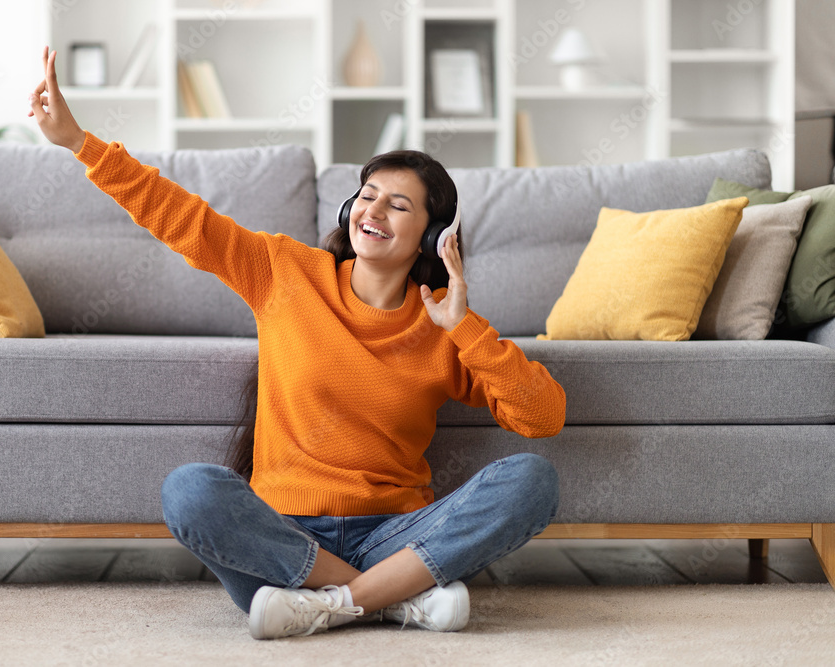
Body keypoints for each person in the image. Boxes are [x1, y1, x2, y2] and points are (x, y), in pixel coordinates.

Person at [29, 46, 566, 640]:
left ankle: (329, 605)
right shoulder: (285, 272)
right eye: (367, 194)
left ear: (433, 236)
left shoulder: (442, 326)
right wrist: (81, 143)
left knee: (531, 479)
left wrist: (464, 327)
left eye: (399, 204)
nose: (374, 209)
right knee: (188, 490)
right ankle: (391, 599)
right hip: (282, 536)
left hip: (394, 534)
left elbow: (542, 416)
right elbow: (182, 217)